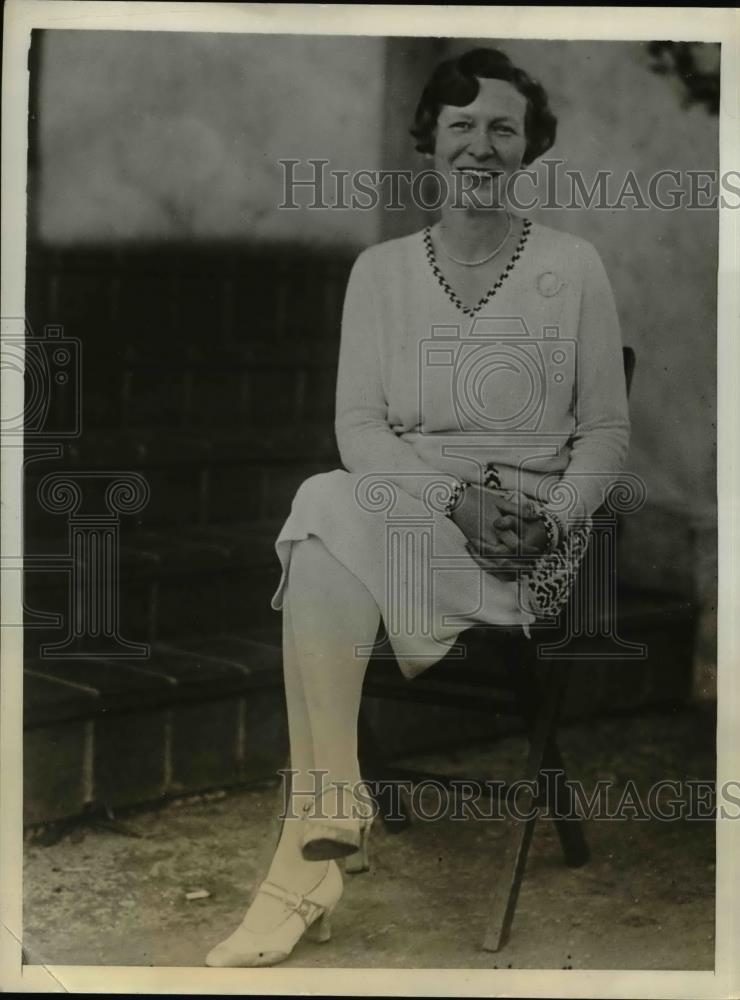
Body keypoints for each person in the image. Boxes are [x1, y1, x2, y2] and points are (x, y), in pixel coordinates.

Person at [205, 46, 629, 968]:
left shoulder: (574, 265)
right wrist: (451, 501)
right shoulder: (381, 273)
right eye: (462, 126)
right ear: (429, 145)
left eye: (503, 129)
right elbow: (361, 430)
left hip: (526, 542)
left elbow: (604, 434)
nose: (482, 146)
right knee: (329, 502)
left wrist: (553, 519)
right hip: (409, 517)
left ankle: (313, 847)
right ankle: (320, 835)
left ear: (531, 147)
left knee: (321, 519)